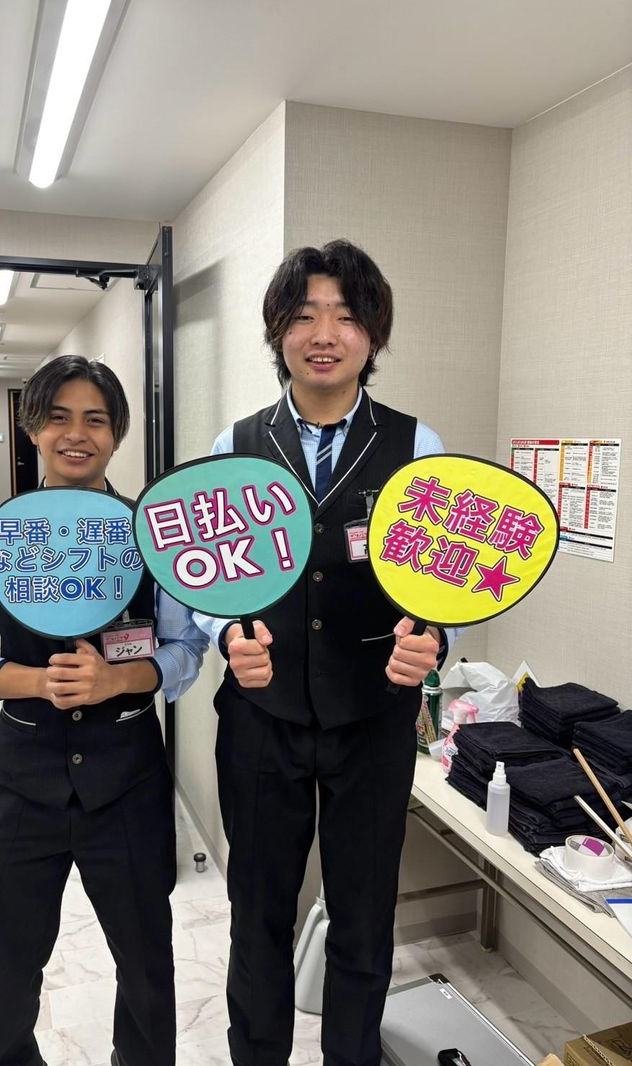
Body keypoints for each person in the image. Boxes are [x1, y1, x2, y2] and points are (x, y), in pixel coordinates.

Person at [196, 240, 451, 1066]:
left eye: (345, 315)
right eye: (304, 315)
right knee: (257, 913)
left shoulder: (417, 445)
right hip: (260, 719)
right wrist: (225, 635)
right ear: (279, 332)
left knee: (364, 916)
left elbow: (447, 578)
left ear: (372, 335)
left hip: (373, 718)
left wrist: (434, 639)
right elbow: (204, 577)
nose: (324, 334)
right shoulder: (233, 445)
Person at [0, 355, 208, 1066]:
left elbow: (185, 650)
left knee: (147, 971)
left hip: (130, 784)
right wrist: (30, 680)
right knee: (6, 974)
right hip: (23, 786)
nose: (76, 434)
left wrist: (119, 681)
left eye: (95, 420)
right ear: (32, 428)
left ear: (116, 435)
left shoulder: (153, 535)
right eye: (58, 418)